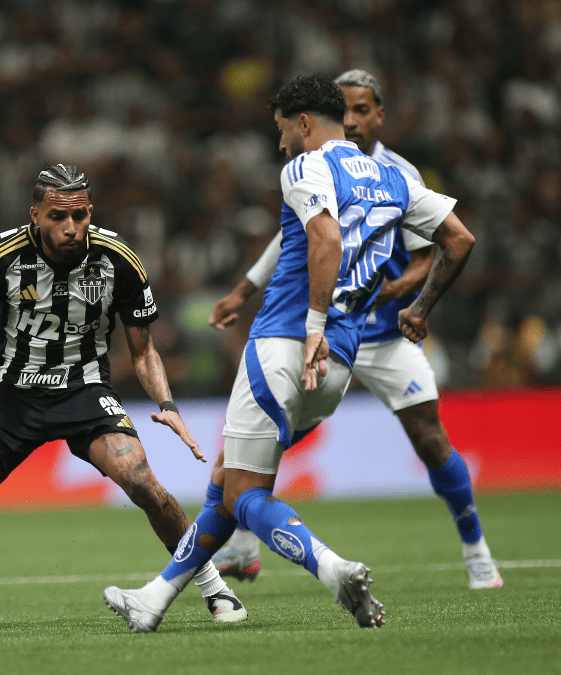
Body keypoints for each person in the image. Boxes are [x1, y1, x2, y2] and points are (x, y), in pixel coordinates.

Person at [103, 75, 476, 631]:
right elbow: (459, 239)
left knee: (246, 493)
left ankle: (333, 568)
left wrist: (312, 327)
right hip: (340, 364)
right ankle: (153, 599)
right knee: (228, 482)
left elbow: (325, 240)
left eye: (282, 130)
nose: (281, 144)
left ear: (303, 123)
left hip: (286, 342)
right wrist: (420, 309)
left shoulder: (305, 166)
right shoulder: (394, 178)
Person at [208, 69, 502, 590]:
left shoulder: (395, 172)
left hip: (381, 334)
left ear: (379, 115)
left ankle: (476, 550)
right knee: (243, 444)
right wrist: (244, 290)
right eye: (344, 109)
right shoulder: (314, 168)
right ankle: (243, 548)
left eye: (362, 110)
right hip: (326, 331)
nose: (352, 119)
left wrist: (406, 298)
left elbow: (428, 253)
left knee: (430, 438)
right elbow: (295, 235)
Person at [0, 164, 246, 621]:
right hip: (10, 390)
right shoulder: (0, 258)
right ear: (35, 215)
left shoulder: (118, 259)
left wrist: (166, 405)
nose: (71, 228)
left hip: (84, 389)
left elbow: (144, 349)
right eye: (57, 217)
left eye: (81, 216)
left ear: (90, 211)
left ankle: (215, 587)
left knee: (143, 483)